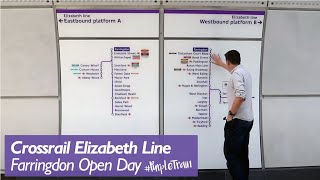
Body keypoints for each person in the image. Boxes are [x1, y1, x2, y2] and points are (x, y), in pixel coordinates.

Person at [212, 50, 254, 180]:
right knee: (242, 155)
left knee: (231, 155)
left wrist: (230, 114)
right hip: (247, 120)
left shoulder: (236, 75)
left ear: (229, 61)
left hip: (237, 122)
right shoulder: (244, 72)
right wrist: (221, 64)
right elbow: (233, 71)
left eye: (226, 62)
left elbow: (240, 96)